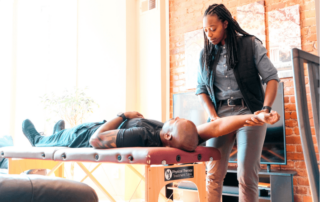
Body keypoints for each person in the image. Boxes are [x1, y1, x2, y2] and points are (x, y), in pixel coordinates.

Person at [196, 4, 280, 202]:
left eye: (213, 28)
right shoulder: (205, 54)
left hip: (249, 113)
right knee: (213, 174)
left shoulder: (250, 45)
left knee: (246, 174)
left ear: (226, 23)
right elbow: (201, 89)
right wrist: (214, 117)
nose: (209, 34)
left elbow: (272, 78)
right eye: (206, 30)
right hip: (220, 116)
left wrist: (265, 109)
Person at [22, 111, 280, 152]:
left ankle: (38, 140)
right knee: (59, 132)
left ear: (168, 136)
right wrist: (253, 117)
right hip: (93, 125)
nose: (175, 117)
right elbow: (215, 126)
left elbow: (95, 139)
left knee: (54, 140)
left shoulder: (141, 137)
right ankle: (53, 134)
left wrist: (122, 115)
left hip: (82, 136)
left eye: (175, 121)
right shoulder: (179, 135)